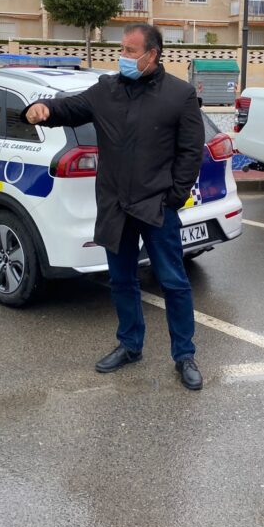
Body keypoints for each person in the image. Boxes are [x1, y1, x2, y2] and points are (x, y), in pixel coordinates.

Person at [24, 23, 206, 390]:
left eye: (130, 51)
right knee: (122, 281)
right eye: (121, 49)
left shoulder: (179, 95)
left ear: (152, 55)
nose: (122, 56)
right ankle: (129, 345)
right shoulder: (106, 90)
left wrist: (173, 196)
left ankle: (184, 354)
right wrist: (41, 108)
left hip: (156, 207)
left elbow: (190, 152)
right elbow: (70, 108)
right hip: (115, 206)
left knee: (173, 282)